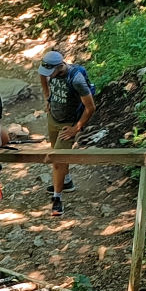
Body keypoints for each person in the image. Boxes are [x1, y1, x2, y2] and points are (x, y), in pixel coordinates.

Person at [38, 50, 96, 217]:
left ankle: (57, 199)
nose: (49, 75)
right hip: (53, 119)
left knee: (57, 160)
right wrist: (47, 97)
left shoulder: (76, 79)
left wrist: (76, 128)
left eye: (51, 72)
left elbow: (90, 107)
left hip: (67, 124)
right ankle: (67, 181)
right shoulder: (48, 69)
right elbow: (42, 76)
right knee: (56, 154)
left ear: (60, 66)